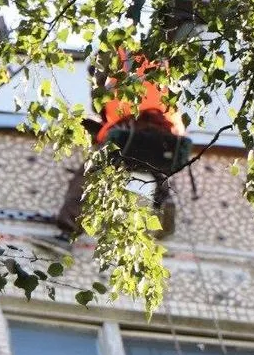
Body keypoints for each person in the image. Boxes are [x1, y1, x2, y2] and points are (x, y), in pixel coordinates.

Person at [56, 49, 187, 240]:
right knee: (161, 176)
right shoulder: (160, 55)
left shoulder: (112, 57)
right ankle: (166, 224)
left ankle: (67, 230)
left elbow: (99, 102)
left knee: (89, 174)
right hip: (167, 136)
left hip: (129, 134)